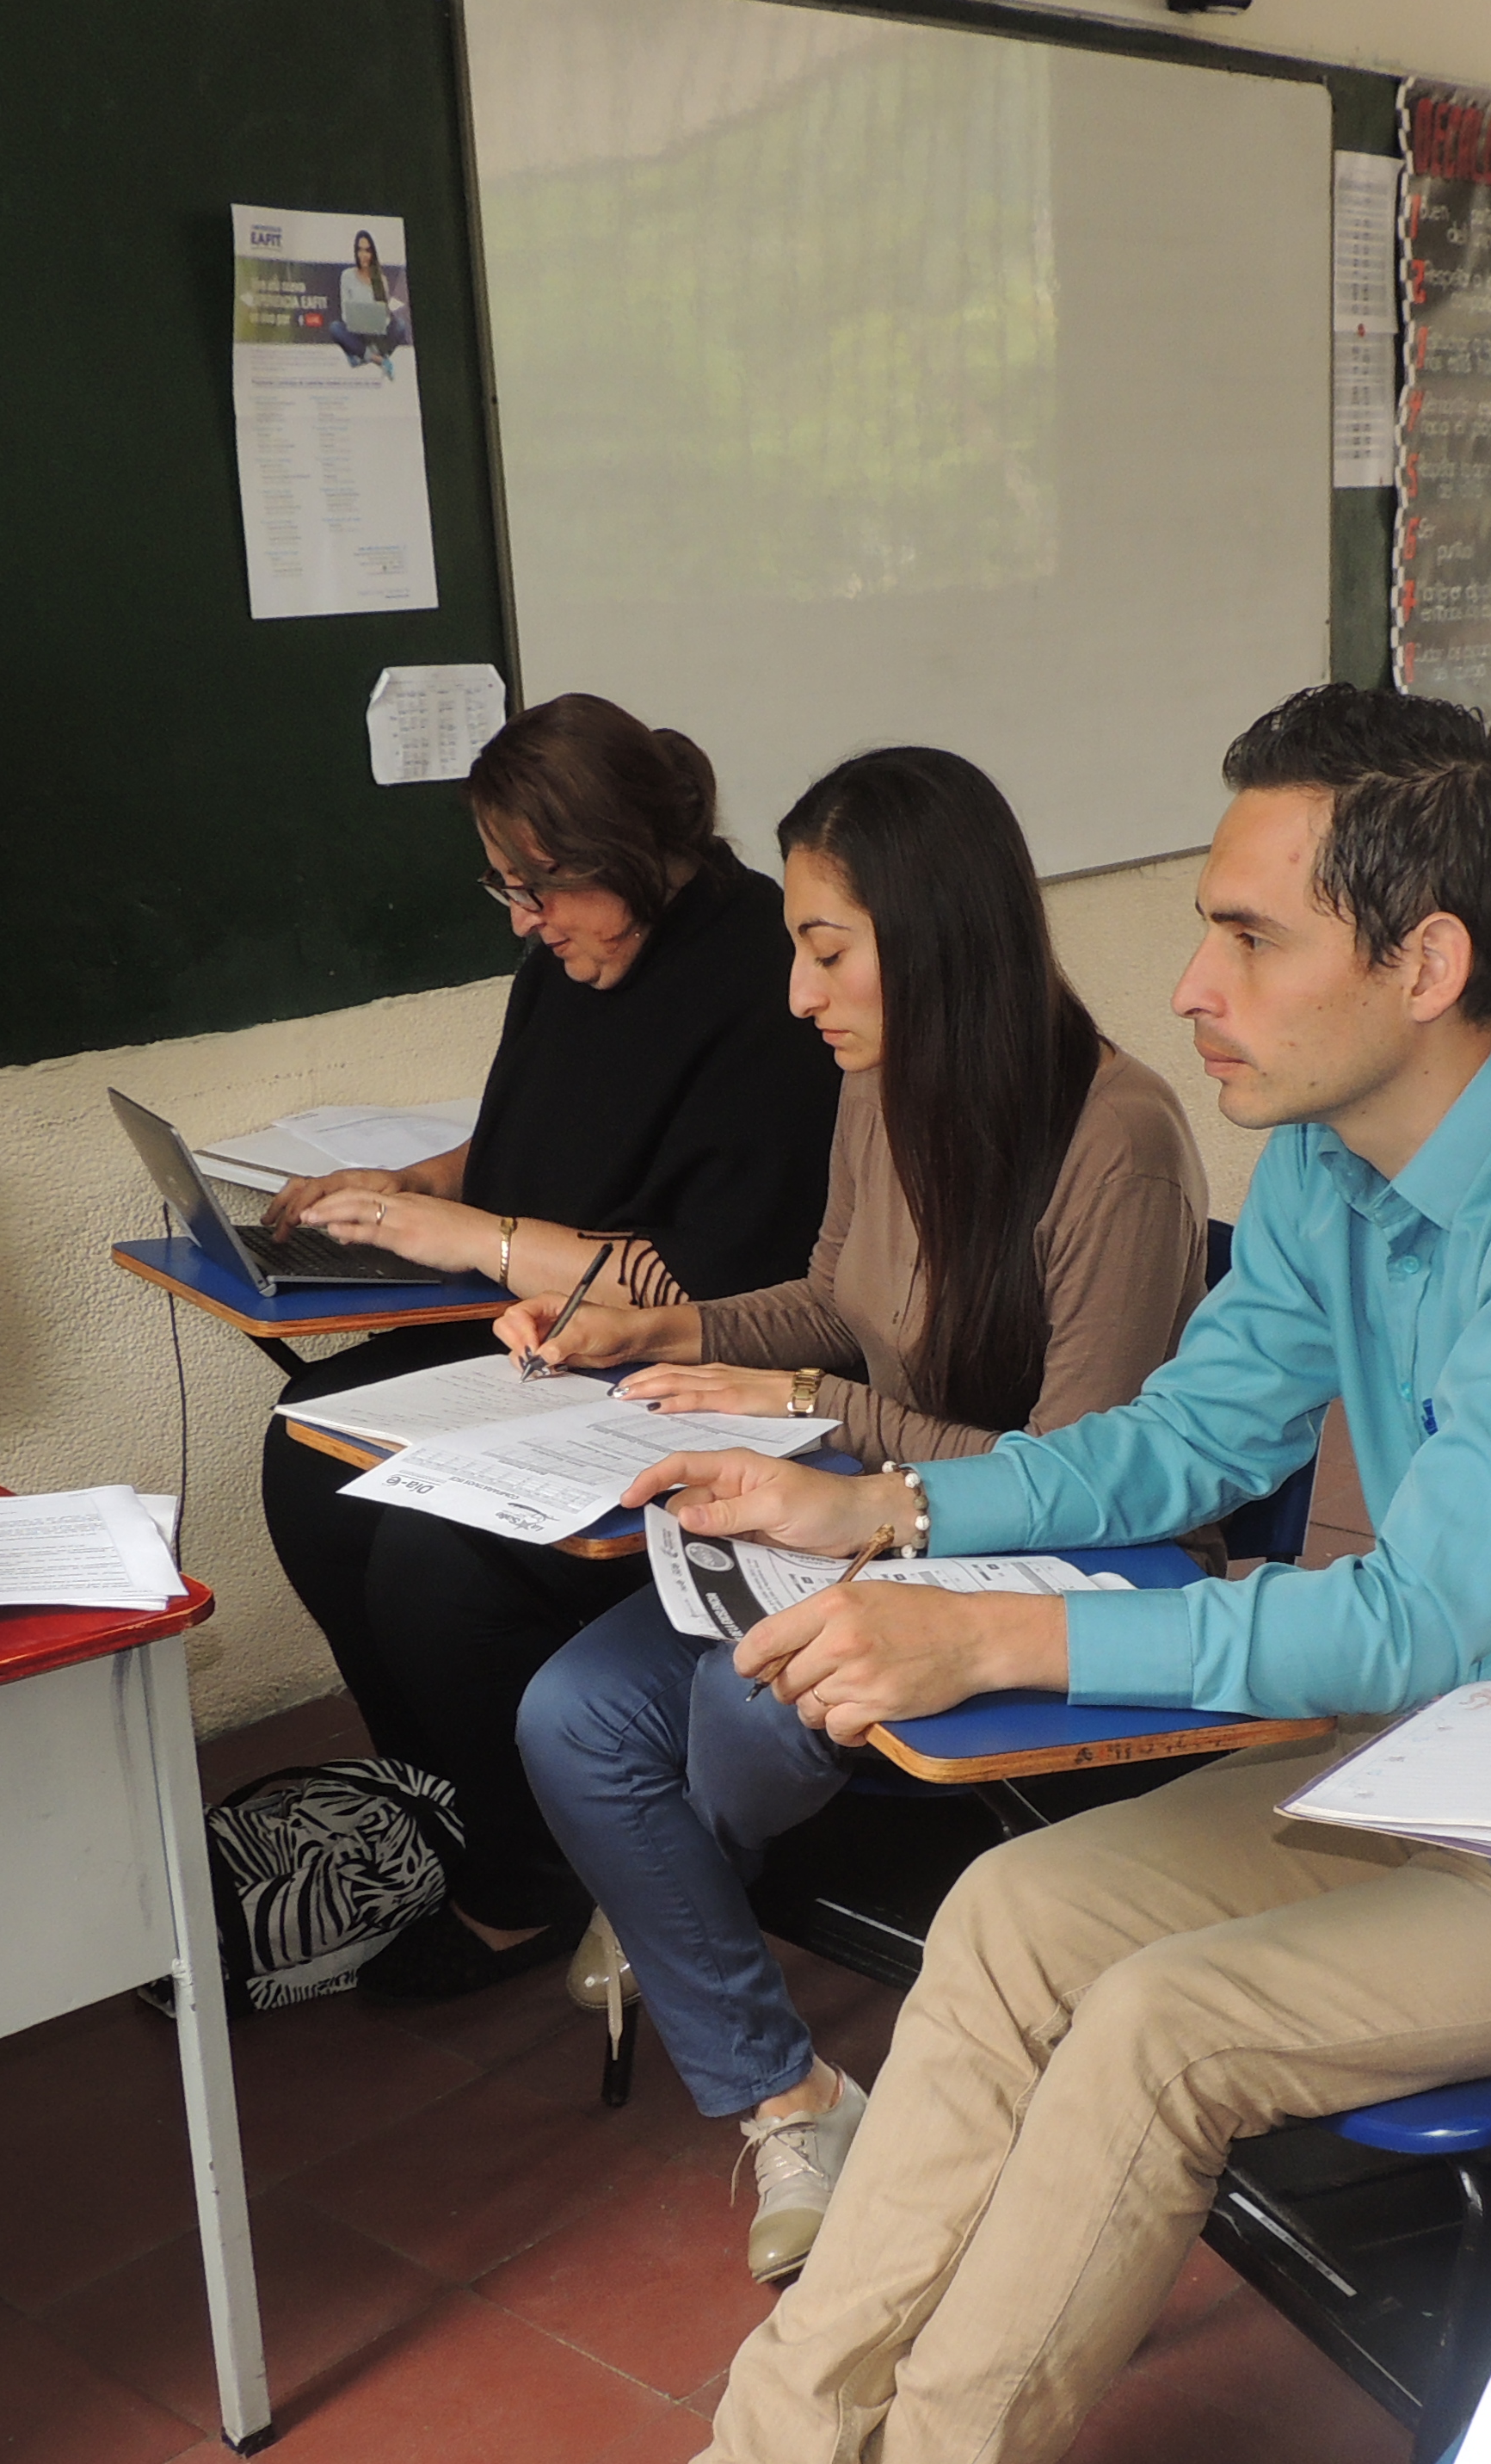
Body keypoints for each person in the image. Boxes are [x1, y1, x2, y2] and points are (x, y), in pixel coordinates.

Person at [371, 683, 1491, 2464]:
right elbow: (1183, 1443)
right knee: (1012, 1923)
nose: (1190, 985)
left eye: (1248, 935)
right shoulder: (1341, 1163)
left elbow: (1416, 1615)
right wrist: (879, 1510)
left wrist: (992, 1642)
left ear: (1423, 962)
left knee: (1164, 2025)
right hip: (1477, 1755)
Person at [507, 744, 1209, 2282]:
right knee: (569, 1715)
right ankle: (794, 2098)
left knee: (739, 1711)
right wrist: (666, 1329)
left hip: (1019, 1566)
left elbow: (1090, 1477)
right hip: (850, 1522)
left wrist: (822, 1420)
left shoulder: (1120, 1138)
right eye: (796, 950)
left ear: (938, 934)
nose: (798, 995)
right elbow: (835, 1297)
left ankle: (658, 1896)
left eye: (827, 950)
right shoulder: (878, 1088)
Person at [256, 694, 836, 2004]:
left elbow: (709, 1278)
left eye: (544, 888)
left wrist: (464, 1234)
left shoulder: (762, 985)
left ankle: (532, 1873)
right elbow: (539, 1135)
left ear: (634, 852)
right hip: (548, 1339)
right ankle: (455, 1801)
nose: (526, 922)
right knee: (308, 1452)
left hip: (689, 1362)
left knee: (430, 1558)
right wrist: (407, 1184)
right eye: (505, 889)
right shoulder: (575, 961)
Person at [330, 228, 404, 374]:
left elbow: (385, 314)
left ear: (373, 254)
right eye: (360, 250)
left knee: (401, 325)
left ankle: (362, 356)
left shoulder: (381, 280)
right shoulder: (347, 276)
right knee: (335, 328)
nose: (363, 255)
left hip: (376, 333)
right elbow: (345, 311)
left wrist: (381, 323)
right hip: (355, 331)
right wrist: (357, 322)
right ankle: (377, 358)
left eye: (367, 251)